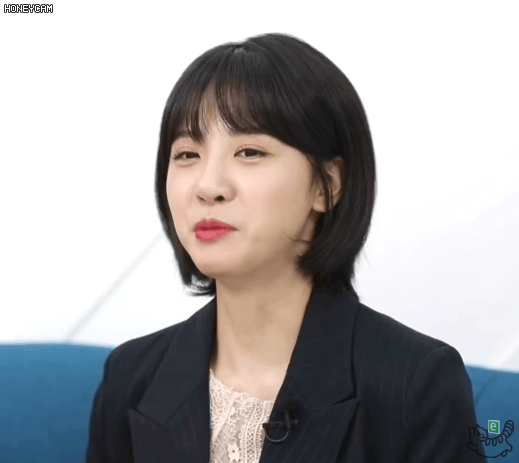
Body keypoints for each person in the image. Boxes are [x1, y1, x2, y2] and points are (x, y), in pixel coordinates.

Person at [86, 32, 484, 462]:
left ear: (327, 184)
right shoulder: (131, 377)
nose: (208, 186)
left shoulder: (416, 381)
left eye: (249, 151)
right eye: (186, 154)